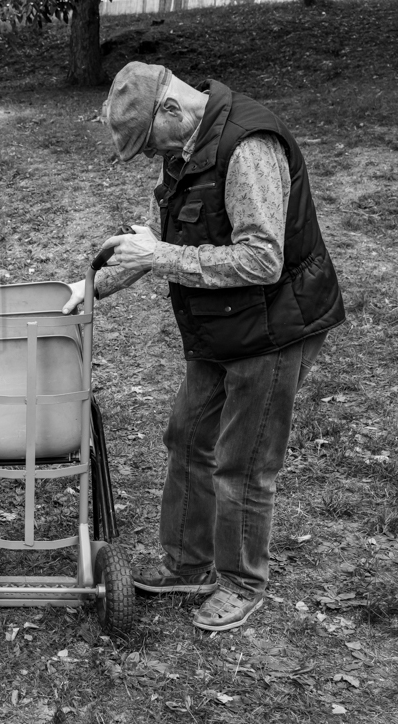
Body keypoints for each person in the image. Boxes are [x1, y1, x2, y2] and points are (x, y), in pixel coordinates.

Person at [62, 62, 345, 632]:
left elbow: (262, 259)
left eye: (146, 144)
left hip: (273, 330)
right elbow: (155, 243)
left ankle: (242, 581)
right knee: (189, 438)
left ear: (171, 110)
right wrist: (86, 289)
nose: (146, 158)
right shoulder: (184, 149)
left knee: (243, 462)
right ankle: (190, 565)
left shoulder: (248, 148)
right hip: (219, 327)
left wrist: (159, 258)